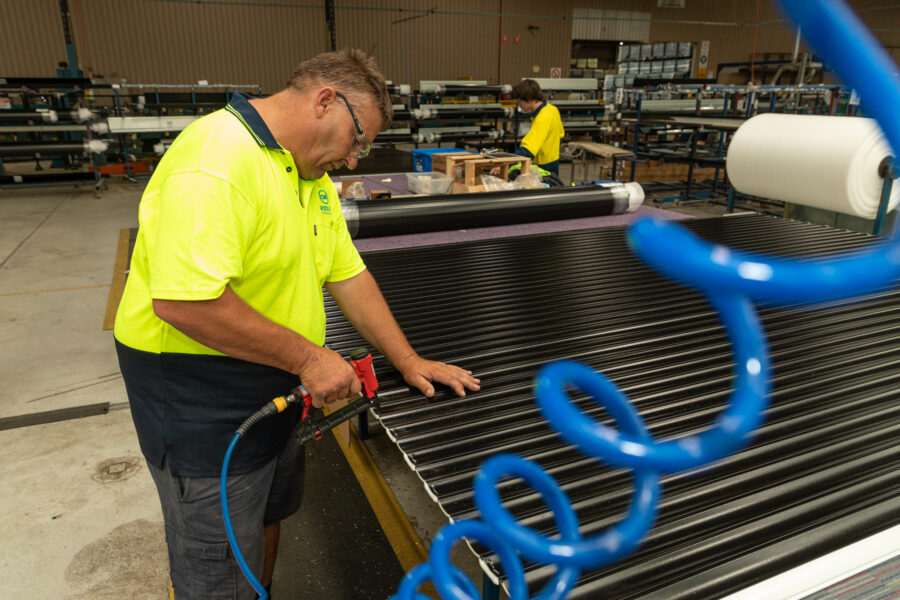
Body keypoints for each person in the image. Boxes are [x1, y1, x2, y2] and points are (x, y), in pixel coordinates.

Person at [113, 48, 480, 599]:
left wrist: (407, 359)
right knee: (218, 559)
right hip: (201, 396)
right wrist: (310, 358)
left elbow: (348, 274)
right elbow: (185, 304)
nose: (354, 161)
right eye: (357, 140)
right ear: (325, 101)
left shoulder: (308, 175)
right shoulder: (217, 159)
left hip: (276, 379)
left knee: (268, 514)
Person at [510, 78, 565, 177]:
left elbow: (528, 149)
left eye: (519, 101)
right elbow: (561, 136)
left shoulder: (543, 117)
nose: (518, 104)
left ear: (528, 98)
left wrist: (507, 163)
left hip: (544, 166)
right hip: (553, 161)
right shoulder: (552, 109)